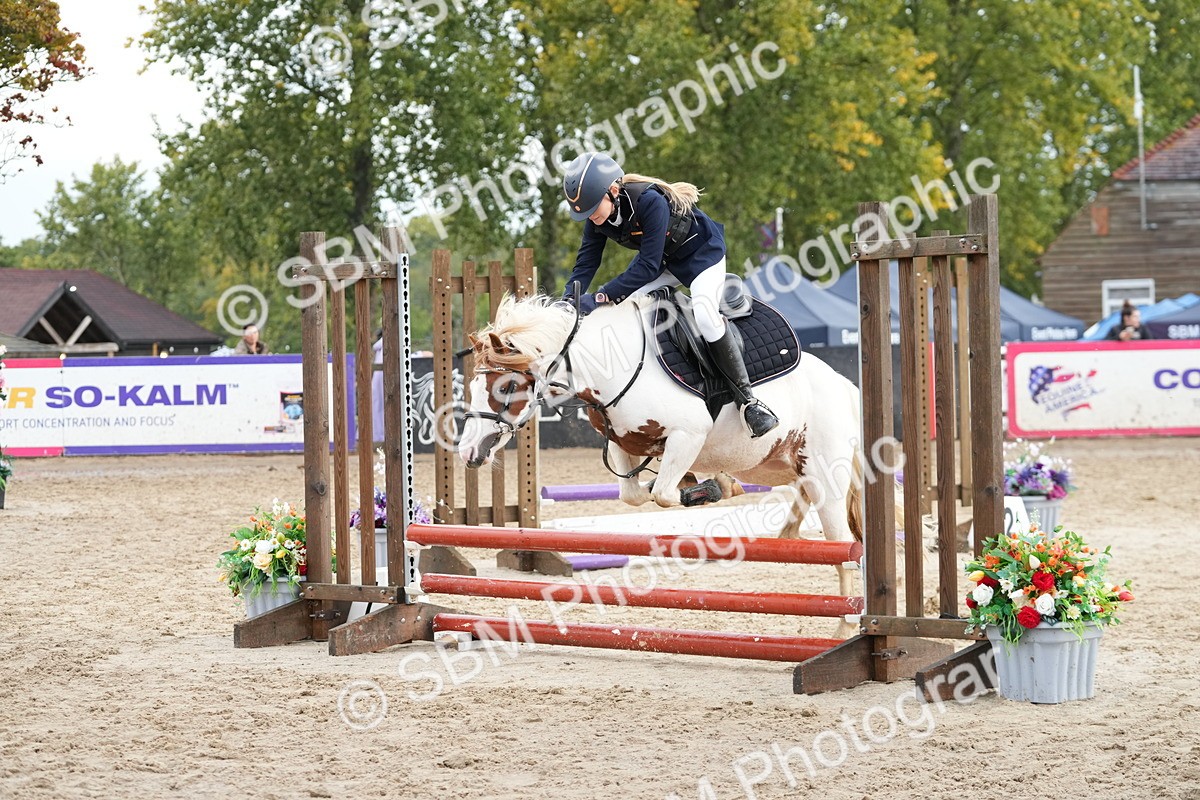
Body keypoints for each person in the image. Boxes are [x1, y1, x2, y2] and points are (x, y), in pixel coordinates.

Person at [560, 152, 778, 438]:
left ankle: (749, 402)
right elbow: (586, 262)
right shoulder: (598, 218)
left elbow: (647, 265)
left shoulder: (650, 201)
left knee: (705, 315)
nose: (590, 217)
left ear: (613, 190)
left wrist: (601, 296)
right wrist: (567, 300)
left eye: (592, 207)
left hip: (702, 257)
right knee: (624, 311)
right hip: (667, 264)